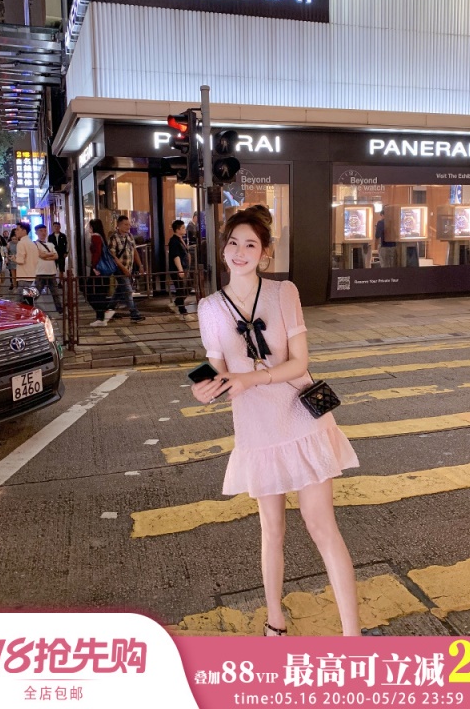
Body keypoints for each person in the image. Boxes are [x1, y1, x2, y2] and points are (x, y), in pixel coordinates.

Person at [191, 205, 361, 637]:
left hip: (301, 420)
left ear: (265, 253)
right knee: (272, 531)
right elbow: (216, 369)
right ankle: (275, 621)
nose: (240, 252)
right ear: (223, 249)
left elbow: (300, 362)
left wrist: (249, 378)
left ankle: (353, 637)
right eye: (234, 243)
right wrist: (204, 387)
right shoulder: (210, 308)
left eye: (250, 245)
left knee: (321, 526)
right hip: (256, 428)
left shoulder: (284, 292)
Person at [105, 215, 146, 323]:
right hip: (119, 268)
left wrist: (140, 265)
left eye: (129, 224)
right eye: (125, 224)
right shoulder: (114, 237)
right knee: (128, 290)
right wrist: (123, 269)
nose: (128, 226)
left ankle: (109, 309)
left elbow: (135, 251)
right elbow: (113, 257)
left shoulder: (130, 236)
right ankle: (134, 314)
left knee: (120, 290)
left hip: (129, 267)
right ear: (118, 225)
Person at [87, 218, 113, 327]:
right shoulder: (102, 237)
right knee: (100, 292)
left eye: (89, 226)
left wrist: (94, 266)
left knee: (92, 292)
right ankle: (103, 313)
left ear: (93, 227)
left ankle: (101, 316)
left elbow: (96, 253)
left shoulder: (96, 237)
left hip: (98, 270)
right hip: (103, 270)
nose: (88, 228)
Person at [34, 224, 63, 314]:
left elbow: (56, 256)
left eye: (45, 231)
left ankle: (60, 309)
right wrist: (50, 254)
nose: (43, 233)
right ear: (36, 232)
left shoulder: (50, 244)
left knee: (56, 293)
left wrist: (46, 256)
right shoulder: (34, 244)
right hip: (40, 273)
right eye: (41, 231)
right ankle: (27, 306)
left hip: (52, 272)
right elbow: (41, 255)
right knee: (35, 293)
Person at [168, 219, 190, 315]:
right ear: (177, 230)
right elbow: (176, 256)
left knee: (186, 288)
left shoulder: (180, 240)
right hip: (177, 269)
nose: (185, 229)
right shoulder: (174, 241)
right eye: (183, 228)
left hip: (184, 268)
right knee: (181, 289)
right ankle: (183, 312)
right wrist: (180, 270)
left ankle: (176, 304)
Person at [14, 222, 39, 304]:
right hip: (31, 275)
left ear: (24, 231)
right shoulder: (32, 243)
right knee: (29, 302)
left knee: (19, 303)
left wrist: (14, 259)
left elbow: (20, 261)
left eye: (17, 229)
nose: (15, 231)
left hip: (23, 276)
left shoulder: (21, 243)